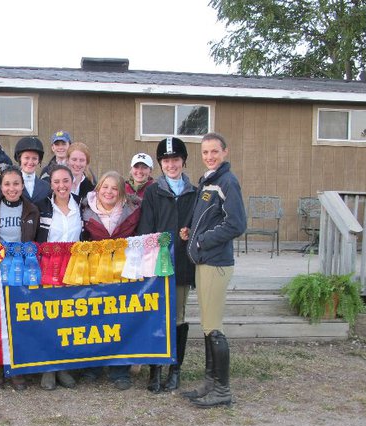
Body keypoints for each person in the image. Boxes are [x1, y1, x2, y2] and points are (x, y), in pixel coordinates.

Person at [180, 132, 246, 408]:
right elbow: (205, 218)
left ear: (225, 152)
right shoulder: (208, 181)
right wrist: (190, 231)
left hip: (216, 262)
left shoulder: (227, 182)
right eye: (205, 152)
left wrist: (202, 240)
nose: (209, 156)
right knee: (207, 326)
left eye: (214, 152)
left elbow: (236, 224)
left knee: (214, 327)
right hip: (203, 262)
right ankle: (210, 382)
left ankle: (222, 389)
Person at [137, 137, 197, 393]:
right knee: (156, 315)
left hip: (182, 263)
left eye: (175, 160)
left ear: (183, 161)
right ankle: (155, 369)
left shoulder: (194, 192)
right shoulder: (153, 192)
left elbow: (199, 224)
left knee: (178, 317)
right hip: (157, 264)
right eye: (166, 160)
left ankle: (175, 368)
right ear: (160, 164)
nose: (171, 165)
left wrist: (190, 232)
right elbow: (145, 229)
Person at [80, 170, 141, 390]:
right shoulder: (84, 209)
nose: (109, 191)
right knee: (94, 318)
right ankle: (93, 367)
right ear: (98, 189)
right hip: (93, 269)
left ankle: (120, 369)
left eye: (114, 188)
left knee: (120, 319)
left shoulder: (134, 211)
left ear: (122, 193)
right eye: (105, 187)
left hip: (122, 270)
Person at [0, 166, 40, 390]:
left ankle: (17, 365)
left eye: (16, 183)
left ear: (23, 185)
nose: (11, 188)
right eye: (7, 184)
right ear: (0, 186)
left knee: (18, 318)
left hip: (21, 271)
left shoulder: (32, 210)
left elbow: (35, 242)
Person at [35, 164, 81, 390]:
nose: (61, 186)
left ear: (72, 181)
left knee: (68, 319)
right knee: (49, 318)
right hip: (47, 270)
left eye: (65, 181)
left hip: (73, 270)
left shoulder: (82, 204)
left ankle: (64, 366)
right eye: (56, 182)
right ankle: (48, 368)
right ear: (50, 184)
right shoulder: (41, 207)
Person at [14, 136, 50, 204]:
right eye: (26, 158)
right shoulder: (11, 185)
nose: (30, 162)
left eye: (34, 158)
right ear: (20, 159)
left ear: (39, 160)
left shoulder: (46, 187)